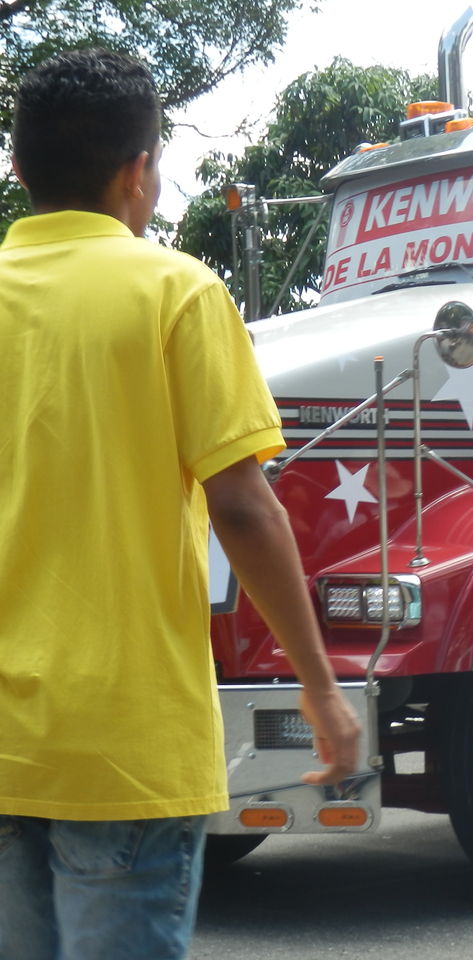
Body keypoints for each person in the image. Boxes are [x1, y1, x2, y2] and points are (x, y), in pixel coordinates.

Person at [0, 49, 361, 960]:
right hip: (126, 742)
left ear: (18, 166)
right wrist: (320, 687)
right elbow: (243, 507)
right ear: (137, 171)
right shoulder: (176, 292)